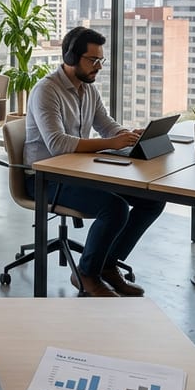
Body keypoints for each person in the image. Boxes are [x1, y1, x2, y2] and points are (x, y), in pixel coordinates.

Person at [23, 27, 166, 297]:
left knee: (153, 200)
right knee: (115, 207)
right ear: (70, 56)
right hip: (44, 178)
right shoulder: (47, 90)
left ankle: (108, 265)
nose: (98, 67)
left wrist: (127, 135)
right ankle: (87, 274)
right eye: (93, 60)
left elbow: (106, 125)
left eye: (101, 61)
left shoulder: (88, 90)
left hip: (79, 172)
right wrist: (111, 144)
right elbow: (57, 143)